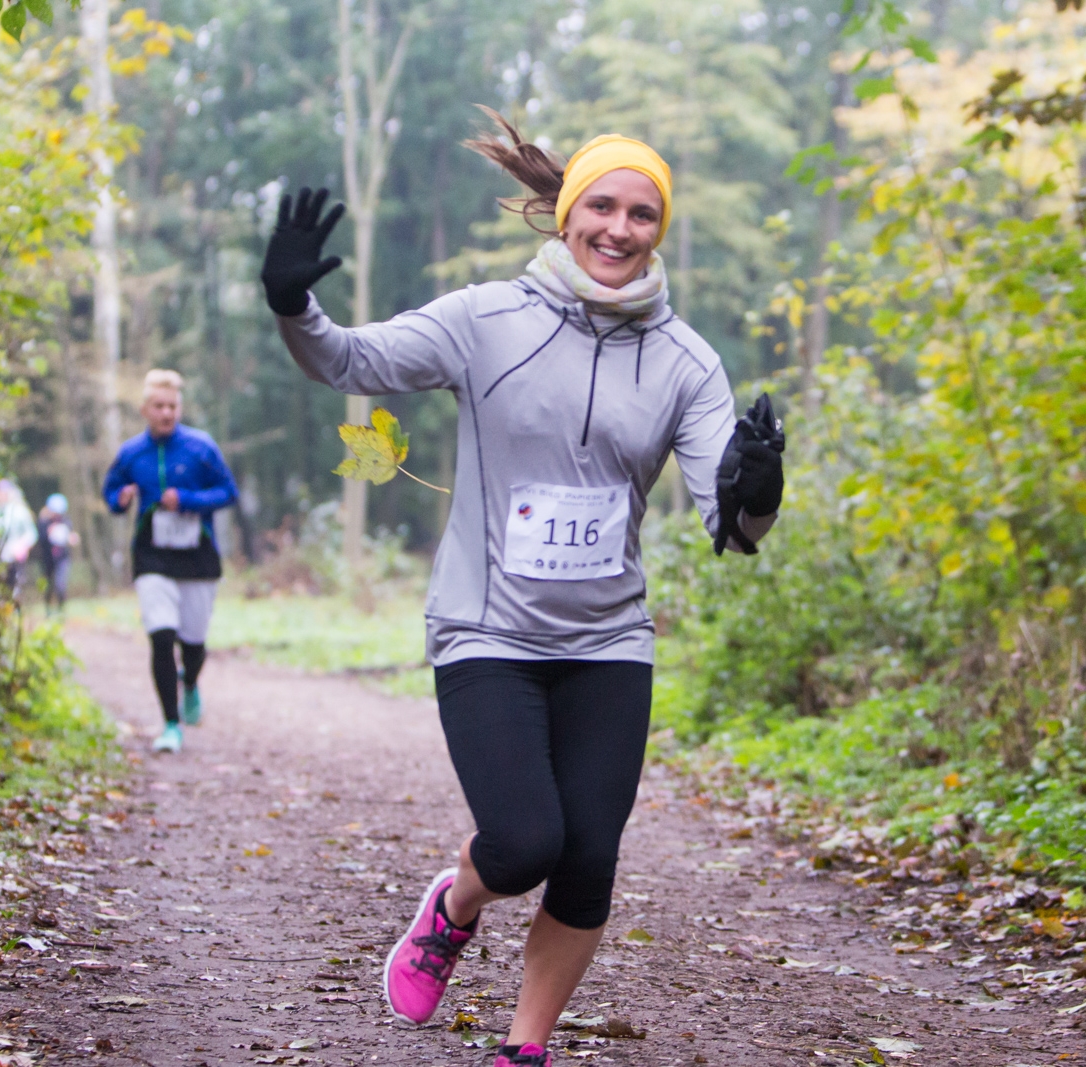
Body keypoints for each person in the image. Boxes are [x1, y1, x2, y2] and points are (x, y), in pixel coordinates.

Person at [261, 113, 785, 1067]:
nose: (619, 229)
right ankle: (453, 905)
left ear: (659, 229)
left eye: (642, 213)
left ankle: (523, 1047)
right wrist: (294, 304)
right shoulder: (483, 320)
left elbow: (731, 527)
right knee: (527, 839)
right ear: (565, 214)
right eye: (602, 206)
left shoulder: (687, 364)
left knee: (588, 858)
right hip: (487, 627)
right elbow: (349, 360)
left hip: (608, 643)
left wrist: (757, 494)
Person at [102, 369, 239, 754]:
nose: (166, 413)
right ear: (145, 409)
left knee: (193, 642)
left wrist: (190, 500)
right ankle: (171, 725)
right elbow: (110, 492)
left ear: (180, 407)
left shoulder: (201, 447)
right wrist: (121, 500)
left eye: (172, 406)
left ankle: (190, 683)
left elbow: (229, 492)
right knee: (161, 636)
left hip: (198, 555)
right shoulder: (131, 453)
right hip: (152, 556)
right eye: (159, 406)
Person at [0, 479, 38, 602]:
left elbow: (31, 534)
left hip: (14, 558)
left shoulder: (19, 511)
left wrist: (22, 546)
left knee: (14, 587)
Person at [35, 493, 79, 614]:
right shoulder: (43, 522)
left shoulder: (66, 522)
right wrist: (49, 533)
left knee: (61, 585)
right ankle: (48, 611)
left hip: (62, 558)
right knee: (48, 585)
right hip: (47, 559)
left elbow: (71, 537)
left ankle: (61, 611)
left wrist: (71, 539)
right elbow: (40, 539)